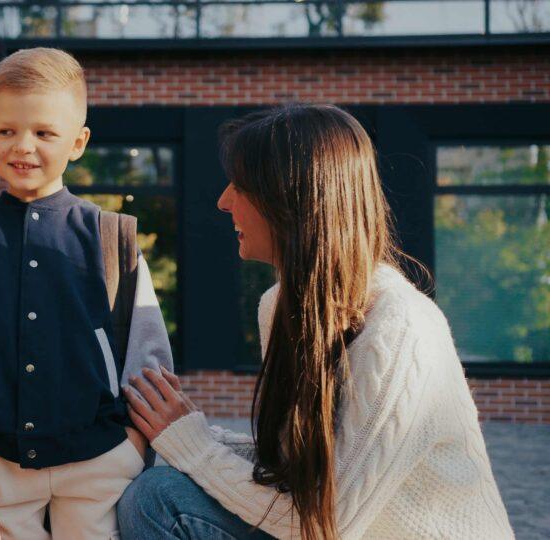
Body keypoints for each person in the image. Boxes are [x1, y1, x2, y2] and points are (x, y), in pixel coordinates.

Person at [120, 104, 513, 539]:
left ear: (290, 201)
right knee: (160, 494)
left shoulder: (400, 328)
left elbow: (326, 523)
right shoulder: (281, 306)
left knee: (157, 497)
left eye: (241, 185)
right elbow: (295, 471)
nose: (223, 201)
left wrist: (191, 445)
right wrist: (193, 433)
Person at [0, 48, 173, 540]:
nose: (22, 146)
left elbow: (148, 354)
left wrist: (135, 444)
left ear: (78, 142)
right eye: (7, 131)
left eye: (44, 133)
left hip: (99, 463)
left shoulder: (112, 237)